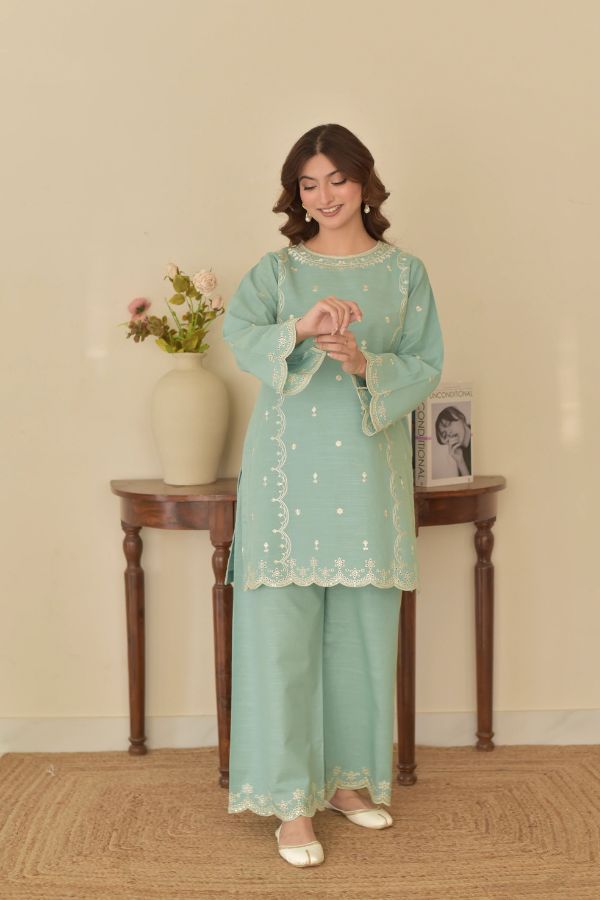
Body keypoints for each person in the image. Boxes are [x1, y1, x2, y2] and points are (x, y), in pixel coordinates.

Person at [221, 123, 444, 868]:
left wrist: (362, 361)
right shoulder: (278, 271)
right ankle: (291, 804)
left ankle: (348, 783)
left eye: (336, 180)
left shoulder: (406, 273)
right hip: (287, 478)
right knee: (281, 642)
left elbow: (424, 364)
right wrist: (301, 327)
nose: (324, 196)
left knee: (360, 635)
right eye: (309, 184)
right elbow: (242, 333)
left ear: (364, 182)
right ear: (297, 194)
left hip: (366, 474)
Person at [435, 406, 472, 476]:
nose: (448, 433)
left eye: (448, 424)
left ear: (461, 417)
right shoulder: (460, 454)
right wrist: (460, 462)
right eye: (444, 434)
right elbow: (469, 484)